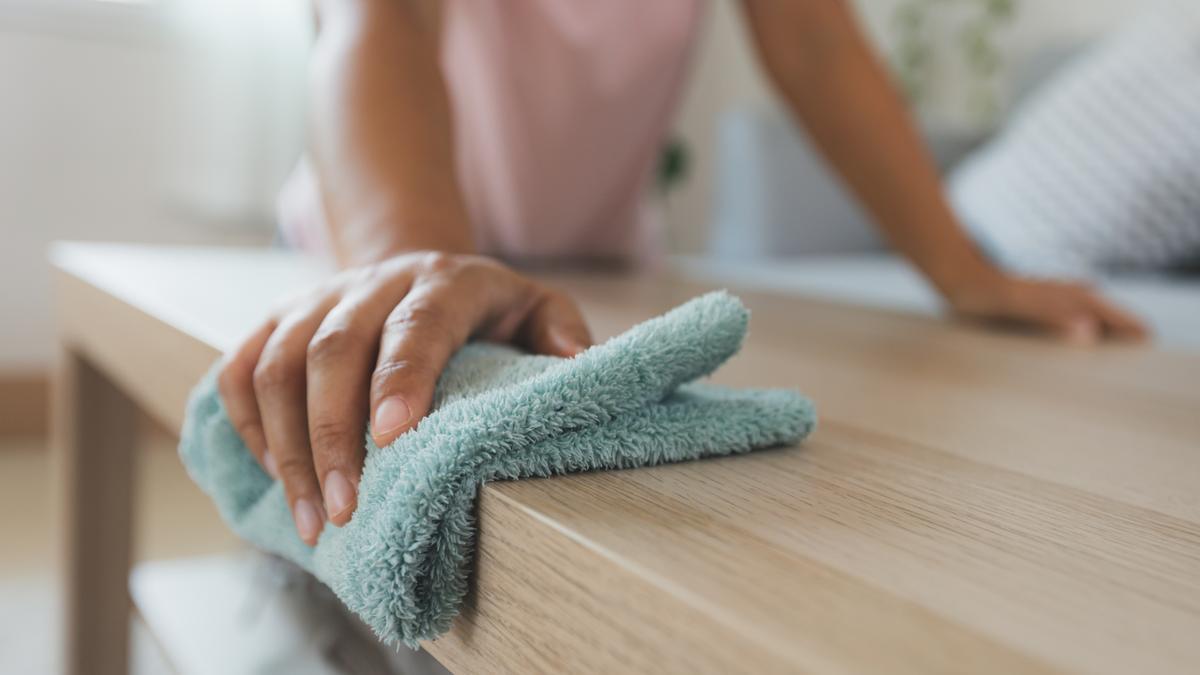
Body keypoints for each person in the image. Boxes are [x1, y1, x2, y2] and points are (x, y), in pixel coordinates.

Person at [218, 0, 1147, 547]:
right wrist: (415, 259)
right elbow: (376, 20)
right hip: (369, 253)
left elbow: (815, 42)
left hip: (594, 271)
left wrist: (961, 268)